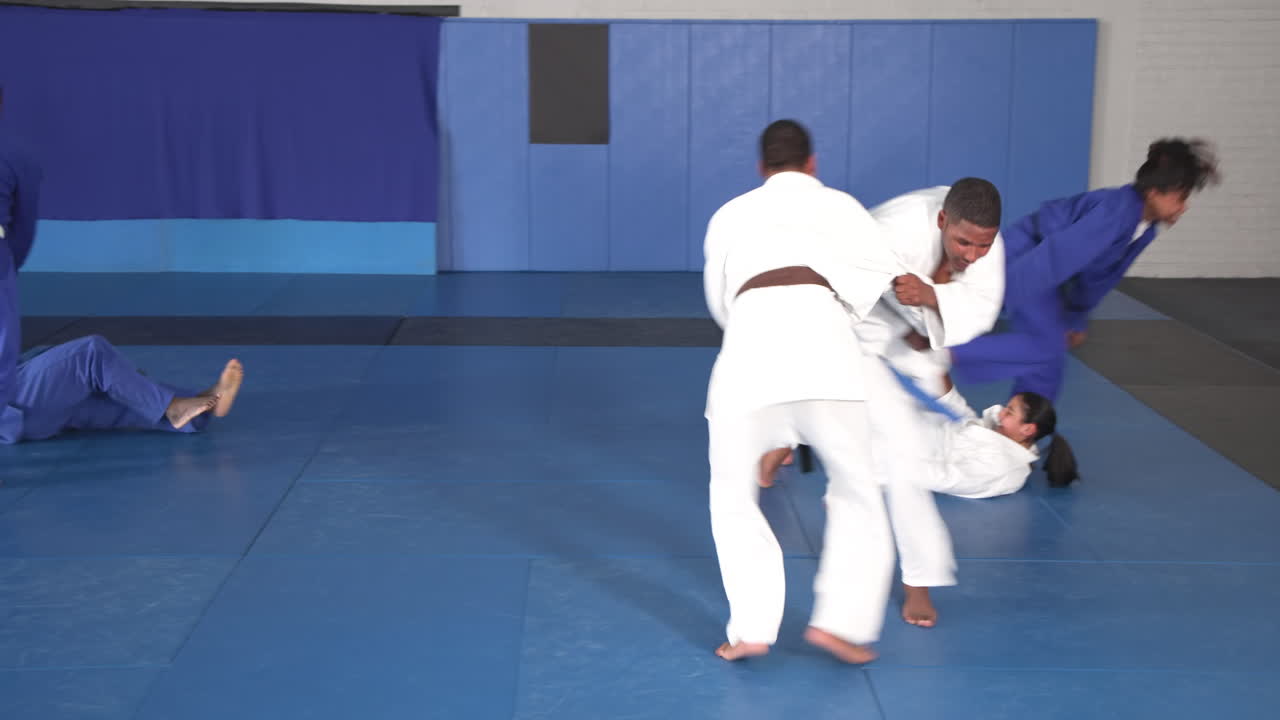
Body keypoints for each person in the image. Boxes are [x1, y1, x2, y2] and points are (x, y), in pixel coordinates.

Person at [703, 119, 900, 664]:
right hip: (824, 345)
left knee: (731, 495)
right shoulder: (841, 206)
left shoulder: (730, 214)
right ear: (812, 163)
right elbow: (876, 283)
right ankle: (843, 622)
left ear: (762, 167)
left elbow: (721, 301)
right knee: (859, 487)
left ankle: (751, 629)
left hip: (750, 344)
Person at [948, 138, 1221, 401]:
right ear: (1154, 192)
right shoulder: (1118, 211)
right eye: (1180, 197)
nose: (1183, 208)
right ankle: (942, 354)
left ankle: (1021, 430)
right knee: (1045, 347)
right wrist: (996, 296)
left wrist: (1075, 319)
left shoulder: (1144, 228)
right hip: (1027, 257)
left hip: (1045, 269)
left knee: (1049, 363)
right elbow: (1057, 256)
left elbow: (1099, 278)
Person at [4, 334, 243, 444]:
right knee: (90, 355)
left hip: (25, 417)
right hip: (16, 401)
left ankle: (205, 405)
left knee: (121, 394)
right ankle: (173, 408)